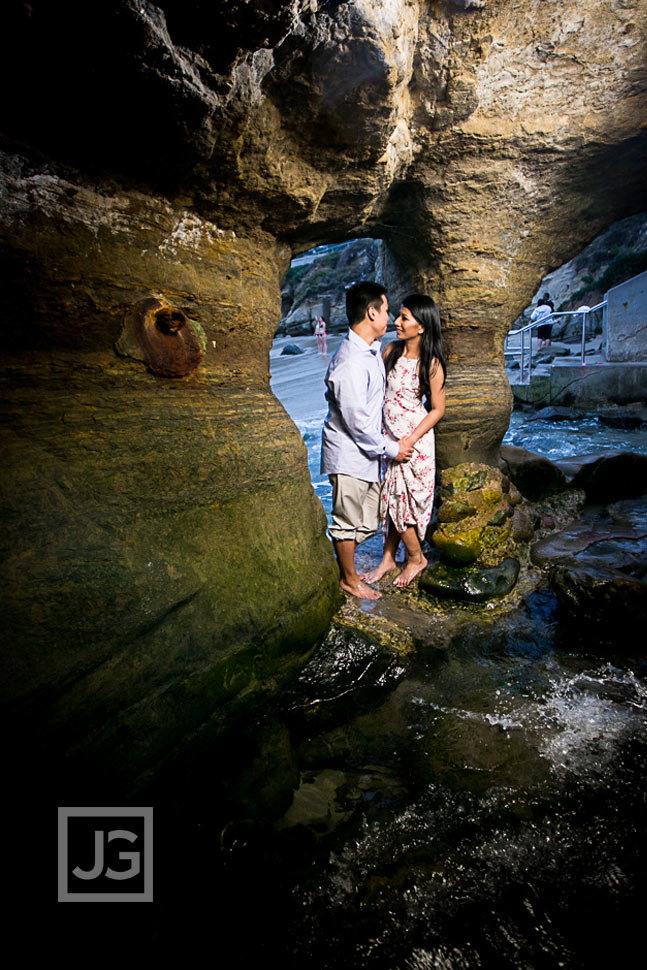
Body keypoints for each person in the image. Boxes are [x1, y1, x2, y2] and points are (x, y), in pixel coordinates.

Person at [320, 282, 414, 599]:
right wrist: (393, 448)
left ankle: (342, 562)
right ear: (371, 312)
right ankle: (349, 579)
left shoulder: (371, 350)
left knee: (370, 521)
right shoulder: (350, 362)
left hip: (368, 454)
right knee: (347, 522)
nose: (389, 316)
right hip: (348, 454)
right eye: (386, 310)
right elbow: (357, 423)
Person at [364, 294, 446, 587]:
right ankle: (388, 559)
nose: (397, 322)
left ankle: (416, 558)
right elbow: (377, 394)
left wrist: (409, 439)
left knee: (404, 502)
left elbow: (437, 409)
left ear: (421, 326)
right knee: (392, 500)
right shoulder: (391, 352)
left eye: (405, 318)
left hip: (415, 444)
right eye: (398, 316)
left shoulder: (431, 363)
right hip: (390, 440)